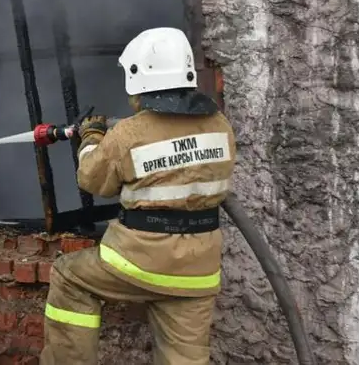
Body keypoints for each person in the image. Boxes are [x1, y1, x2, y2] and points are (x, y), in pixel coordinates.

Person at [40, 27, 236, 365]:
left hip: (139, 259)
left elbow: (92, 179)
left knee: (69, 276)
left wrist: (91, 137)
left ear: (138, 76)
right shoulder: (219, 125)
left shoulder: (128, 134)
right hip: (198, 269)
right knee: (184, 358)